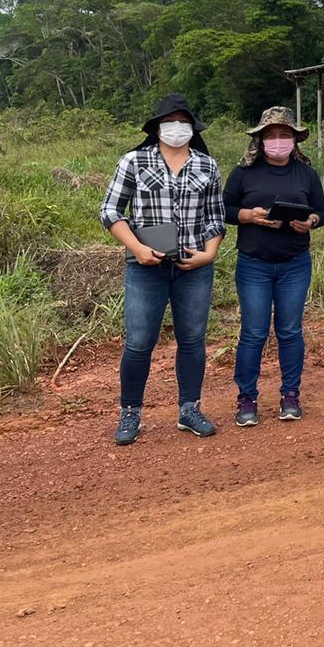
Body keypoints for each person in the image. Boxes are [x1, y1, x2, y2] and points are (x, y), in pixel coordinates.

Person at [99, 94, 225, 445]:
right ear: (156, 127)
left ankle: (189, 409)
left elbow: (215, 216)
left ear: (192, 127)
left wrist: (208, 255)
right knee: (139, 342)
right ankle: (130, 414)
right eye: (169, 121)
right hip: (145, 267)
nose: (176, 128)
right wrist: (137, 248)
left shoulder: (206, 165)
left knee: (193, 340)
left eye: (183, 121)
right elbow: (110, 210)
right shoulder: (134, 161)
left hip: (194, 267)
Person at [223, 107, 324, 426]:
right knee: (253, 332)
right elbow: (224, 209)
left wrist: (308, 221)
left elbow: (321, 213)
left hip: (295, 263)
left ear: (295, 139)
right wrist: (248, 215)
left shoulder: (306, 173)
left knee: (290, 331)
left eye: (285, 135)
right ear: (260, 139)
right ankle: (247, 398)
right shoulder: (243, 172)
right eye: (271, 135)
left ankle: (290, 395)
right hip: (254, 263)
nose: (278, 141)